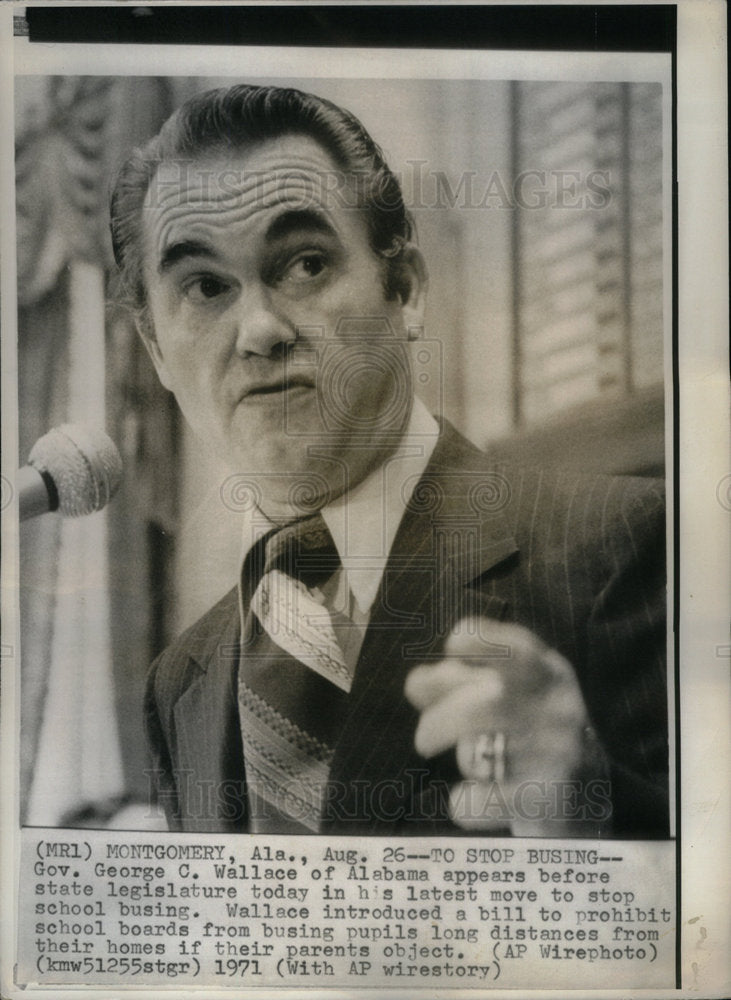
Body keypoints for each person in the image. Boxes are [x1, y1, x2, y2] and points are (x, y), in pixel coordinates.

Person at [110, 83, 668, 838]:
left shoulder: (627, 547)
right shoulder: (179, 682)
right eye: (206, 286)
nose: (261, 330)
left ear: (403, 290)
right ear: (157, 355)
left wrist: (589, 820)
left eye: (305, 264)